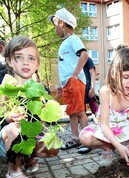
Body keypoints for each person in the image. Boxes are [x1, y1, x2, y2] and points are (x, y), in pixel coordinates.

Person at [79, 47, 129, 167]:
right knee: (85, 137)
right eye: (126, 77)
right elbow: (104, 125)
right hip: (109, 128)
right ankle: (109, 149)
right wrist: (118, 146)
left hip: (128, 126)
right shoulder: (105, 91)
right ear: (114, 73)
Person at [1, 36, 59, 178]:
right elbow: (2, 115)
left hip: (30, 133)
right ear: (9, 61)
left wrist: (39, 119)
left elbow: (43, 119)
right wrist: (10, 117)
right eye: (19, 57)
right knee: (16, 129)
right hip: (8, 135)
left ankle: (27, 158)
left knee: (53, 147)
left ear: (37, 64)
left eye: (31, 58)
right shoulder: (7, 85)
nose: (25, 62)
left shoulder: (39, 89)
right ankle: (14, 170)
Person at [49, 8, 89, 150]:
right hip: (67, 83)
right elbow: (66, 66)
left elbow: (84, 55)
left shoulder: (73, 39)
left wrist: (76, 75)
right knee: (71, 112)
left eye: (55, 25)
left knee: (79, 111)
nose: (55, 29)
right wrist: (62, 84)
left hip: (75, 81)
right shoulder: (64, 43)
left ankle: (86, 140)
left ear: (61, 23)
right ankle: (75, 139)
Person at [78, 57, 99, 154]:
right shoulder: (74, 59)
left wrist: (93, 87)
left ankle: (104, 132)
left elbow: (92, 73)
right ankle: (85, 139)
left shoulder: (87, 59)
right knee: (82, 113)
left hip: (88, 88)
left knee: (97, 111)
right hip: (79, 89)